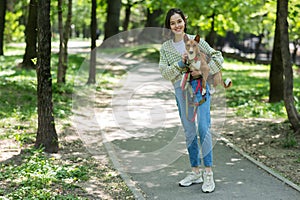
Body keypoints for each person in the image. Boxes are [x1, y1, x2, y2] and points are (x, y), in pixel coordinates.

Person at [158, 8, 223, 193]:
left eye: (179, 21)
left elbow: (218, 56)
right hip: (181, 91)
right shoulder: (166, 48)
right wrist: (181, 63)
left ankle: (208, 173)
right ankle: (195, 172)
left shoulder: (196, 40)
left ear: (184, 21)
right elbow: (165, 72)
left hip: (200, 89)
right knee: (189, 131)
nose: (176, 25)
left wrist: (204, 70)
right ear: (169, 26)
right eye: (172, 23)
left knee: (203, 128)